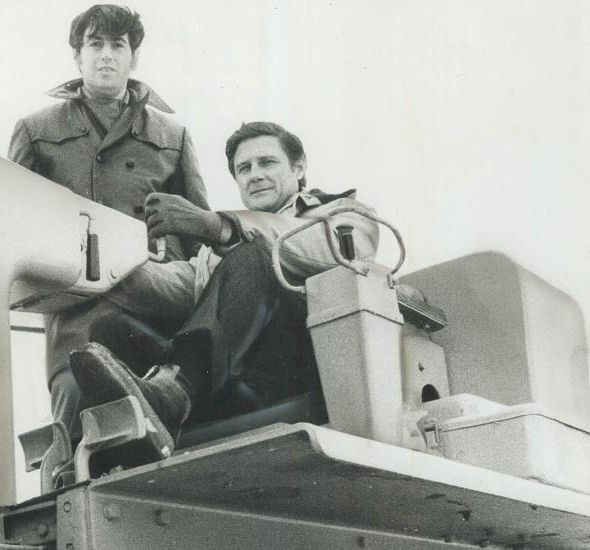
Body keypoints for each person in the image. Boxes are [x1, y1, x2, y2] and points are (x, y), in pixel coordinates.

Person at [70, 121, 379, 444]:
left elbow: (323, 248)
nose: (254, 174)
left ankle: (176, 391)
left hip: (293, 373)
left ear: (299, 167)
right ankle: (107, 439)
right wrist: (96, 257)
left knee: (251, 256)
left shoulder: (344, 214)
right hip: (223, 383)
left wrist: (222, 227)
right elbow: (171, 285)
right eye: (243, 169)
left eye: (267, 162)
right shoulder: (217, 253)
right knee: (111, 329)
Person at [8, 4, 209, 439]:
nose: (106, 55)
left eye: (118, 45)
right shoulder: (33, 130)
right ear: (76, 56)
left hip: (158, 323)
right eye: (94, 44)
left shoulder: (174, 136)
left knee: (167, 447)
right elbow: (12, 233)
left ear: (133, 56)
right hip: (76, 321)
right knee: (81, 445)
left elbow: (199, 239)